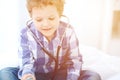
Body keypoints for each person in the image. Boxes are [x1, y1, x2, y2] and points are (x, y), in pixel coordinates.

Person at [0, 0, 101, 80]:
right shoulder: (25, 34)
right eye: (39, 20)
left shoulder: (68, 31)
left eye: (51, 18)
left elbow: (74, 61)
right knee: (5, 73)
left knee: (93, 76)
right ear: (31, 17)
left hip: (61, 74)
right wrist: (28, 76)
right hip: (36, 74)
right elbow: (26, 62)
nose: (46, 24)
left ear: (60, 15)